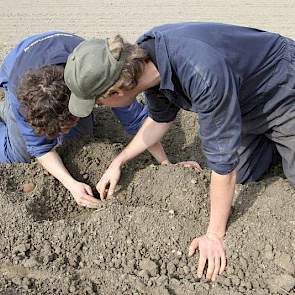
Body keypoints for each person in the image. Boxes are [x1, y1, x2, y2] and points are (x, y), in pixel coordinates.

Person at [64, 22, 295, 281]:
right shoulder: (146, 62)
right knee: (243, 178)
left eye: (98, 101)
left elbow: (223, 165)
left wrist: (214, 235)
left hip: (282, 86)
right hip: (242, 102)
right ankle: (274, 143)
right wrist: (118, 161)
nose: (100, 107)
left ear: (116, 91)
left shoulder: (201, 73)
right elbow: (159, 120)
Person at [0, 31, 178, 209]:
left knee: (79, 138)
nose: (64, 131)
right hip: (18, 64)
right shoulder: (23, 98)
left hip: (67, 53)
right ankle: (6, 113)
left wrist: (164, 163)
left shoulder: (96, 78)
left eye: (68, 123)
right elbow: (39, 147)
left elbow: (137, 121)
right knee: (19, 154)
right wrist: (71, 185)